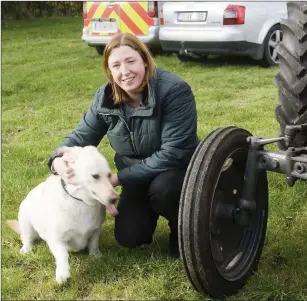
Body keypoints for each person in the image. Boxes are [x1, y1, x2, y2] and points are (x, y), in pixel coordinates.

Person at [47, 32, 198, 258]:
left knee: (164, 191)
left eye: (130, 61)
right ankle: (148, 213)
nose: (125, 72)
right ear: (109, 71)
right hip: (135, 177)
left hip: (175, 171)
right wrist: (58, 160)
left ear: (145, 61)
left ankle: (184, 229)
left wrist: (117, 178)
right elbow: (81, 135)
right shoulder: (105, 97)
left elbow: (173, 153)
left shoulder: (174, 91)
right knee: (129, 237)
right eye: (116, 65)